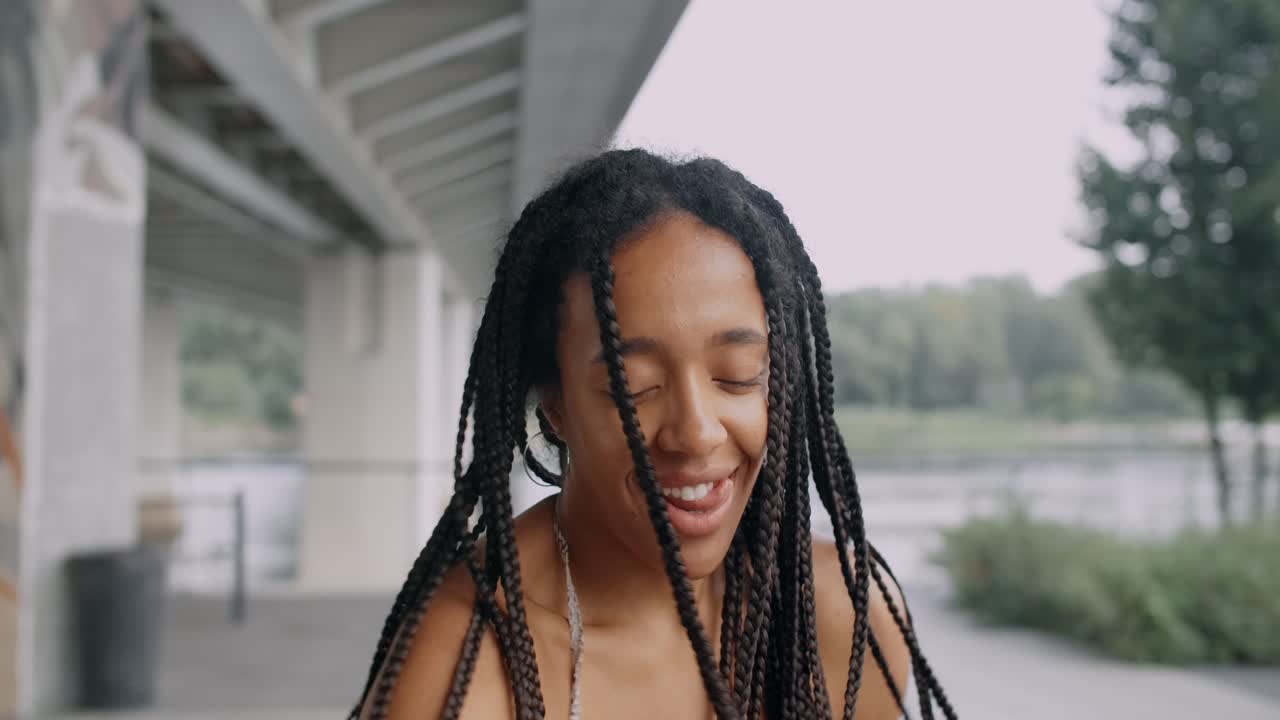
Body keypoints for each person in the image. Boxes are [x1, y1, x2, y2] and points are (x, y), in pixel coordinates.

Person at [353, 149, 956, 719]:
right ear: (555, 404)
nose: (695, 434)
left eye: (739, 377)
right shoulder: (465, 662)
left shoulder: (839, 615)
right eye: (633, 386)